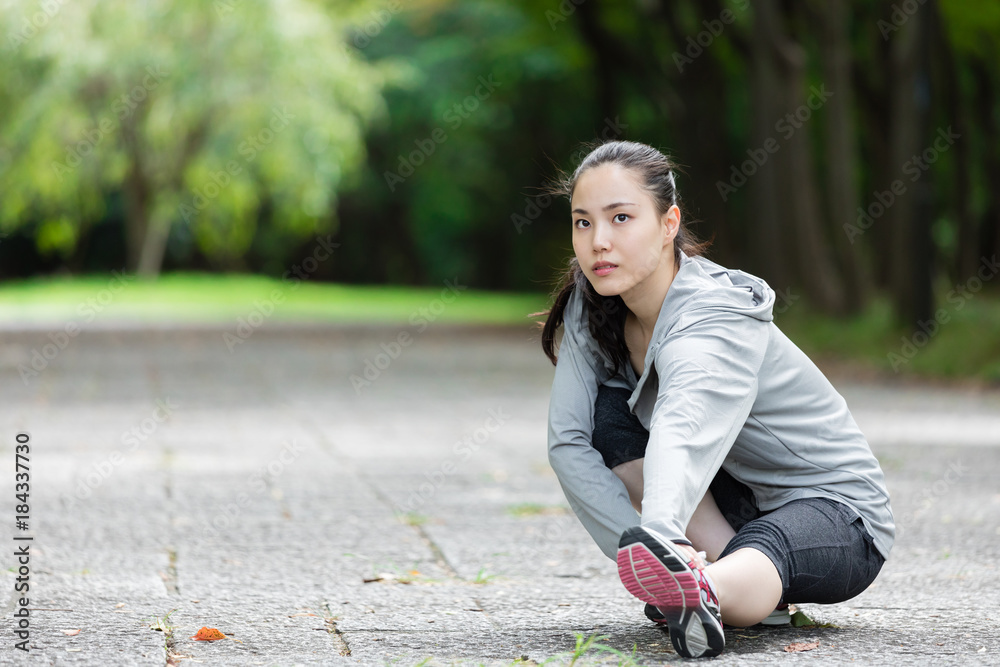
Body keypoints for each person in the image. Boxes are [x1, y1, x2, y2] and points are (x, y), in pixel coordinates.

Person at [534, 140, 893, 659]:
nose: (598, 242)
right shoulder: (593, 305)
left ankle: (705, 591)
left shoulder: (713, 317)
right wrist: (644, 548)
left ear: (668, 224)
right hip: (733, 502)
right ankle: (691, 577)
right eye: (583, 222)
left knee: (767, 542)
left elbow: (682, 429)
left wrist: (658, 531)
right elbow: (567, 441)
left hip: (837, 517)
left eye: (620, 218)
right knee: (606, 417)